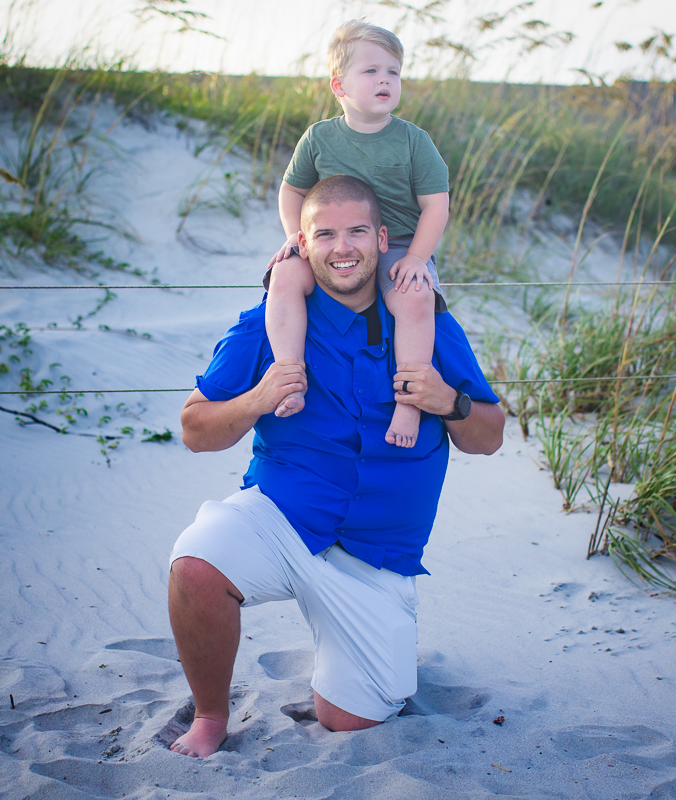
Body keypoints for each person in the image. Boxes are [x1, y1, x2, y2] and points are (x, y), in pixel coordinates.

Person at [169, 175, 504, 758]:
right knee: (197, 563)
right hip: (283, 519)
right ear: (301, 243)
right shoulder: (266, 324)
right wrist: (258, 397)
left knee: (349, 719)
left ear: (380, 238)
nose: (342, 247)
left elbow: (490, 438)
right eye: (324, 233)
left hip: (377, 553)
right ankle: (209, 716)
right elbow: (194, 429)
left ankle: (354, 650)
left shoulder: (424, 322)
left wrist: (447, 401)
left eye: (356, 232)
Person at [264, 20, 450, 451]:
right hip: (332, 245)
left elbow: (435, 205)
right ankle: (289, 377)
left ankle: (409, 399)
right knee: (285, 277)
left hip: (398, 247)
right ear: (339, 85)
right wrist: (296, 235)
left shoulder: (413, 141)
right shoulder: (319, 137)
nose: (385, 79)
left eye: (394, 72)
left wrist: (418, 259)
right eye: (371, 71)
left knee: (416, 298)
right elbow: (291, 189)